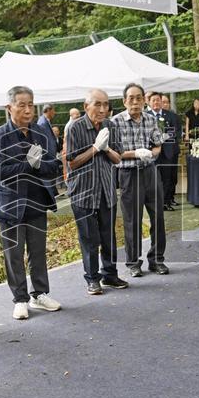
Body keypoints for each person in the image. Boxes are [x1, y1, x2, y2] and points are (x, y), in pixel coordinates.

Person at [0, 86, 62, 320]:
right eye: (21, 104)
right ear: (9, 108)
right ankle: (19, 298)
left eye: (30, 104)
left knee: (38, 252)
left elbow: (53, 167)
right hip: (10, 204)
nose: (27, 109)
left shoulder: (41, 133)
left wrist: (39, 165)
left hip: (37, 200)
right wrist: (27, 165)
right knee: (14, 254)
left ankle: (39, 294)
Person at [66, 89, 129, 295]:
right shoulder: (75, 128)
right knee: (89, 238)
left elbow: (119, 158)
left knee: (108, 236)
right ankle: (92, 278)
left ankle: (110, 274)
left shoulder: (111, 126)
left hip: (106, 190)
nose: (102, 109)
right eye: (97, 104)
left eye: (105, 105)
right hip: (83, 192)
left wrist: (106, 149)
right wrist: (95, 148)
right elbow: (72, 163)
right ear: (86, 106)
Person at [112, 83, 168, 277]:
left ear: (144, 100)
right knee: (132, 220)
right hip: (128, 175)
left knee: (158, 217)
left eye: (138, 98)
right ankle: (133, 262)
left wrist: (151, 153)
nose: (135, 102)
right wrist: (134, 153)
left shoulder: (151, 120)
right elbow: (113, 153)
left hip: (150, 172)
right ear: (124, 101)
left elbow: (158, 145)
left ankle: (157, 260)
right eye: (131, 98)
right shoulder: (115, 122)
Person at [147, 92, 182, 210]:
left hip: (168, 151)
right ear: (149, 102)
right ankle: (155, 202)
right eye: (153, 100)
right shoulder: (145, 116)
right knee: (154, 179)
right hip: (152, 152)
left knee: (167, 178)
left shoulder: (170, 115)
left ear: (162, 102)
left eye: (158, 100)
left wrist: (165, 136)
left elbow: (176, 131)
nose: (156, 102)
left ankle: (166, 202)